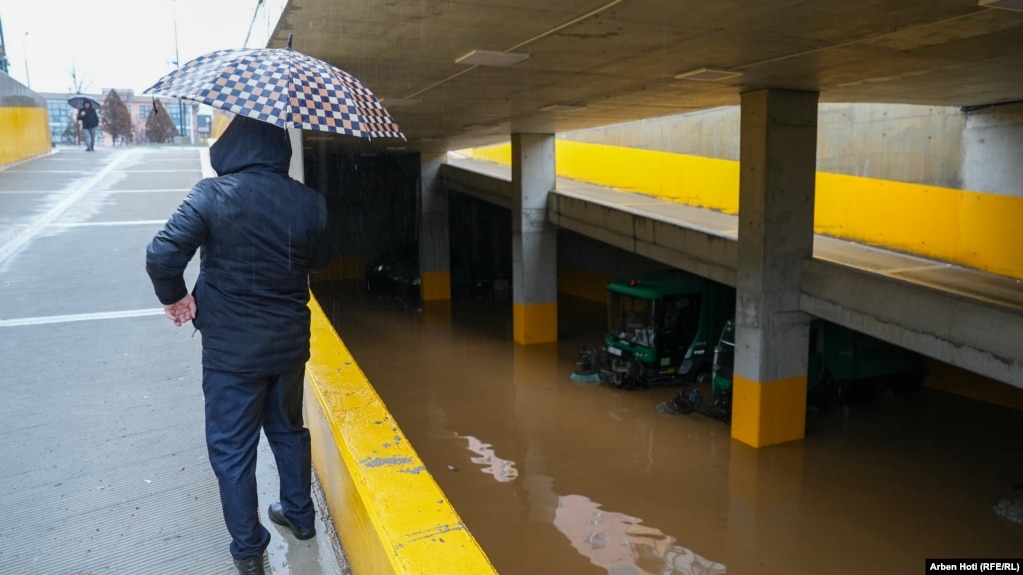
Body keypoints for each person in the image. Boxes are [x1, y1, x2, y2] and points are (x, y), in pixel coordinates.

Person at [145, 114, 331, 575]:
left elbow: (161, 255)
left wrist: (176, 298)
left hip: (231, 353)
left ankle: (249, 549)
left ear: (231, 147)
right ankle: (300, 517)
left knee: (232, 448)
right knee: (289, 430)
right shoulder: (309, 202)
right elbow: (321, 261)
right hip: (288, 345)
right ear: (279, 150)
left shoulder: (212, 195)